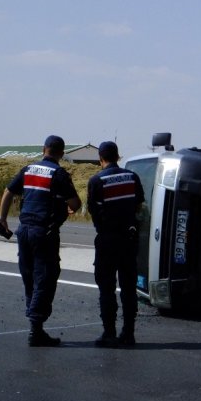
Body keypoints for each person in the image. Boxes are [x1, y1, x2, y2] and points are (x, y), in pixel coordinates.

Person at [0, 135, 82, 347]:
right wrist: (67, 206)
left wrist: (3, 220)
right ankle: (36, 329)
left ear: (43, 149)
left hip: (23, 231)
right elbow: (75, 203)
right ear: (61, 153)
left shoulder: (28, 169)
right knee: (45, 276)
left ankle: (36, 326)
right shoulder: (59, 174)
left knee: (29, 276)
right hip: (43, 233)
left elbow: (8, 191)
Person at [87, 141, 145, 347]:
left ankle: (109, 333)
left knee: (107, 288)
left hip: (107, 239)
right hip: (129, 239)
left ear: (100, 158)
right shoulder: (132, 177)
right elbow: (139, 204)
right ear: (118, 157)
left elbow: (94, 211)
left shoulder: (96, 181)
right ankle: (128, 333)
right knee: (129, 288)